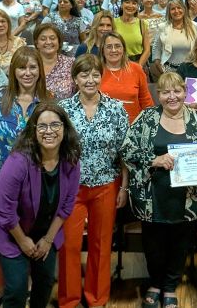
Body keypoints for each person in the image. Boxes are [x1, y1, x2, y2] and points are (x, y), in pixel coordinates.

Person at [122, 72, 197, 308]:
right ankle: (154, 283)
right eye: (165, 92)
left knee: (180, 242)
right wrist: (155, 160)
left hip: (188, 196)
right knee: (153, 243)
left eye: (176, 91)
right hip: (152, 194)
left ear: (185, 92)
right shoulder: (146, 117)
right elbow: (127, 150)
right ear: (158, 95)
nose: (171, 97)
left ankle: (171, 286)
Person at [0, 102, 80, 308]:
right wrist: (23, 241)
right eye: (42, 126)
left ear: (65, 128)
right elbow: (5, 210)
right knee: (17, 289)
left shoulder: (70, 160)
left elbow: (66, 205)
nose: (49, 131)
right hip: (11, 232)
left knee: (45, 282)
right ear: (33, 131)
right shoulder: (18, 161)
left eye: (55, 125)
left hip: (46, 230)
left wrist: (48, 239)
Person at [57, 55, 130, 308]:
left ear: (101, 76)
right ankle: (69, 299)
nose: (90, 80)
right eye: (84, 75)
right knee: (69, 245)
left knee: (101, 244)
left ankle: (96, 298)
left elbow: (125, 152)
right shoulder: (63, 110)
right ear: (75, 79)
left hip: (106, 185)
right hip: (71, 188)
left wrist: (124, 186)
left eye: (95, 74)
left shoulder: (116, 109)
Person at [99, 32, 154, 122]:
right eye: (109, 47)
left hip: (134, 125)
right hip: (104, 126)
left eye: (117, 46)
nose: (113, 50)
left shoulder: (136, 69)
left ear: (123, 49)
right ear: (102, 50)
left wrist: (151, 122)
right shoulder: (97, 71)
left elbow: (145, 100)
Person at [151, 0, 197, 75]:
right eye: (173, 9)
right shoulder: (162, 27)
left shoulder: (194, 26)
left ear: (184, 9)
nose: (176, 11)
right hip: (168, 71)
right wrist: (159, 67)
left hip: (190, 70)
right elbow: (156, 49)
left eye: (179, 8)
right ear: (169, 12)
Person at [35, 24, 75, 99]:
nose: (48, 42)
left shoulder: (71, 63)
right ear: (37, 43)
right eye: (43, 39)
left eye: (52, 38)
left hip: (64, 109)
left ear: (59, 42)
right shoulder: (30, 65)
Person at [113, 0, 151, 64]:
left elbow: (147, 50)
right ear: (121, 4)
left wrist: (138, 67)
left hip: (138, 63)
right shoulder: (113, 22)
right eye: (127, 2)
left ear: (137, 6)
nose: (130, 6)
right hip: (117, 64)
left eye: (134, 3)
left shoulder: (143, 23)